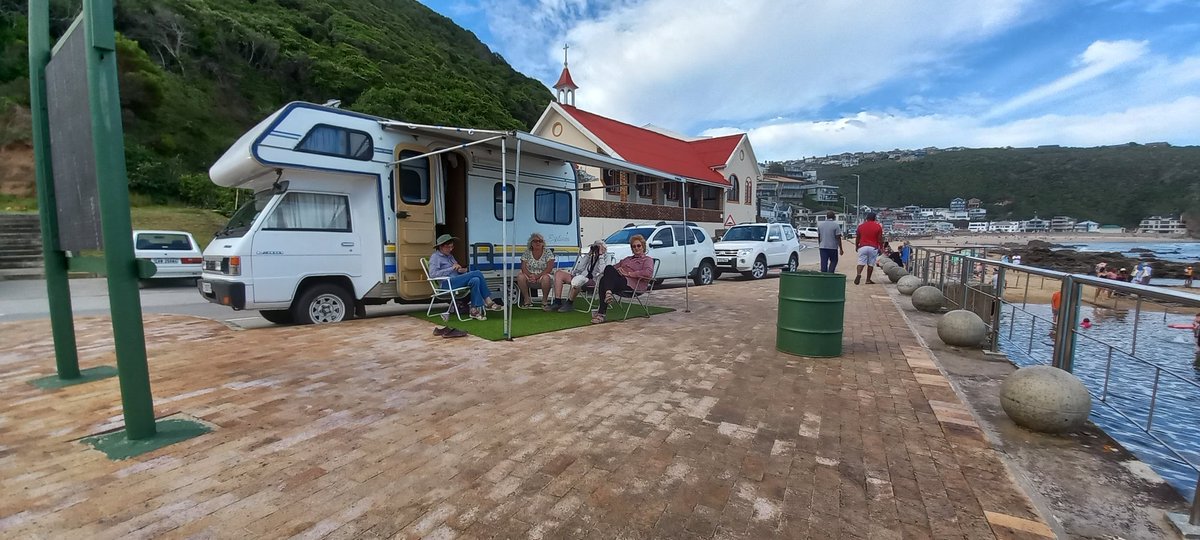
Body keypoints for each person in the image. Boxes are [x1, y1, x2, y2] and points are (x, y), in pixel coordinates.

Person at [428, 234, 502, 320]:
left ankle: (473, 310)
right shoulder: (435, 257)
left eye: (452, 247)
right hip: (446, 284)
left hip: (456, 280)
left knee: (475, 280)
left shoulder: (450, 256)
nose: (451, 249)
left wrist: (461, 270)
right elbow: (432, 274)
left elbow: (455, 270)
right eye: (448, 247)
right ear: (441, 246)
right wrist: (450, 268)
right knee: (477, 273)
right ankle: (488, 301)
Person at [592, 234, 654, 324]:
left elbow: (648, 273)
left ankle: (601, 313)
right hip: (620, 283)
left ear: (643, 246)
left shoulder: (647, 260)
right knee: (607, 270)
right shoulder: (627, 259)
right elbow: (611, 269)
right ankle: (608, 293)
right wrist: (619, 270)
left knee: (604, 281)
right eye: (634, 246)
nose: (636, 248)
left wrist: (629, 273)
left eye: (638, 245)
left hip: (634, 285)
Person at [553, 240, 608, 312]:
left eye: (598, 247)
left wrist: (601, 256)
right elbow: (579, 268)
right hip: (581, 276)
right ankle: (557, 301)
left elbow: (603, 271)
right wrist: (589, 254)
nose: (596, 249)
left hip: (594, 280)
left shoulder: (606, 258)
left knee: (578, 280)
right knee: (559, 274)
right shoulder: (591, 257)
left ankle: (569, 303)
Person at [517, 232, 556, 310]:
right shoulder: (527, 252)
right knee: (520, 276)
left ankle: (544, 301)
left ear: (543, 243)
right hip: (530, 276)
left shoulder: (547, 252)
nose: (538, 242)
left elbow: (549, 268)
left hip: (544, 275)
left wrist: (537, 276)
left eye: (540, 241)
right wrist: (530, 275)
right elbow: (523, 267)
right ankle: (527, 300)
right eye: (535, 241)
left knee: (545, 278)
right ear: (531, 243)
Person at [854, 212, 885, 285]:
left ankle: (858, 274)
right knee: (871, 264)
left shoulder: (861, 226)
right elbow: (880, 239)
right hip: (873, 247)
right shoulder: (878, 226)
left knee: (861, 262)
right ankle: (868, 280)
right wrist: (881, 248)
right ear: (875, 218)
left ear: (866, 218)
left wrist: (856, 246)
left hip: (863, 246)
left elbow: (857, 238)